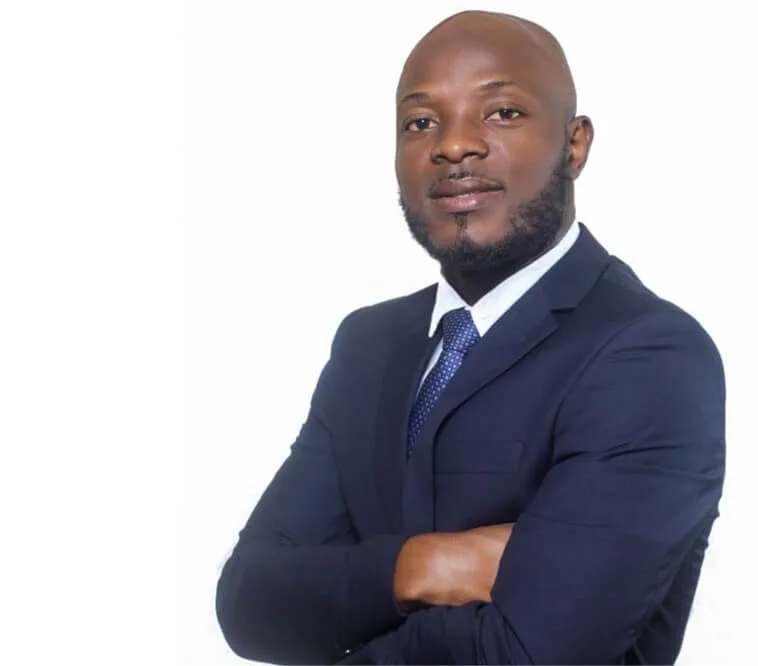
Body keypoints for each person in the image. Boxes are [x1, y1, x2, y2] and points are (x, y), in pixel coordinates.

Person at [215, 10, 725, 665]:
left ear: (574, 145)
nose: (454, 145)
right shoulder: (369, 346)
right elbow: (249, 604)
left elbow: (534, 654)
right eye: (420, 122)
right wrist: (429, 565)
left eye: (502, 113)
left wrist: (346, 598)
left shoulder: (646, 355)